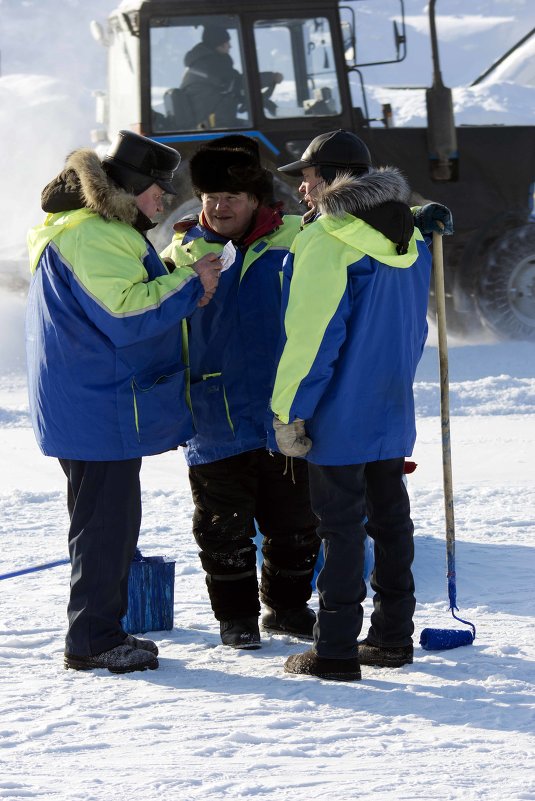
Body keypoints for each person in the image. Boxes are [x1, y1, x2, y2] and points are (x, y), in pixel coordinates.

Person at [26, 130, 221, 674]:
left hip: (88, 400)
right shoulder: (95, 235)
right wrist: (189, 283)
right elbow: (125, 313)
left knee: (100, 521)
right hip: (101, 405)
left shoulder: (85, 229)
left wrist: (177, 268)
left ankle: (100, 628)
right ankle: (92, 639)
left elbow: (119, 291)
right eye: (157, 188)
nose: (162, 198)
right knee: (106, 524)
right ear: (132, 187)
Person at [271, 129, 451, 681]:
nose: (302, 190)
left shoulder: (329, 239)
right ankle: (393, 637)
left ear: (328, 181)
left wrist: (288, 411)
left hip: (339, 412)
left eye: (306, 179)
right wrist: (422, 215)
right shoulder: (411, 237)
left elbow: (313, 338)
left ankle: (334, 651)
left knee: (341, 529)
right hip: (390, 407)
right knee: (391, 523)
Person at [161, 135, 320, 649]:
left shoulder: (299, 238)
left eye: (230, 196)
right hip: (214, 412)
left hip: (285, 411)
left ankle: (289, 612)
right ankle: (237, 623)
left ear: (256, 199)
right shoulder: (182, 250)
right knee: (221, 529)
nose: (217, 205)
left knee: (294, 526)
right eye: (209, 196)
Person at [180, 26, 283, 128]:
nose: (230, 46)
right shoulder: (211, 65)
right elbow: (242, 83)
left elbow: (233, 90)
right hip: (213, 125)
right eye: (227, 42)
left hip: (211, 121)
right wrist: (271, 78)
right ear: (218, 45)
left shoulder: (202, 63)